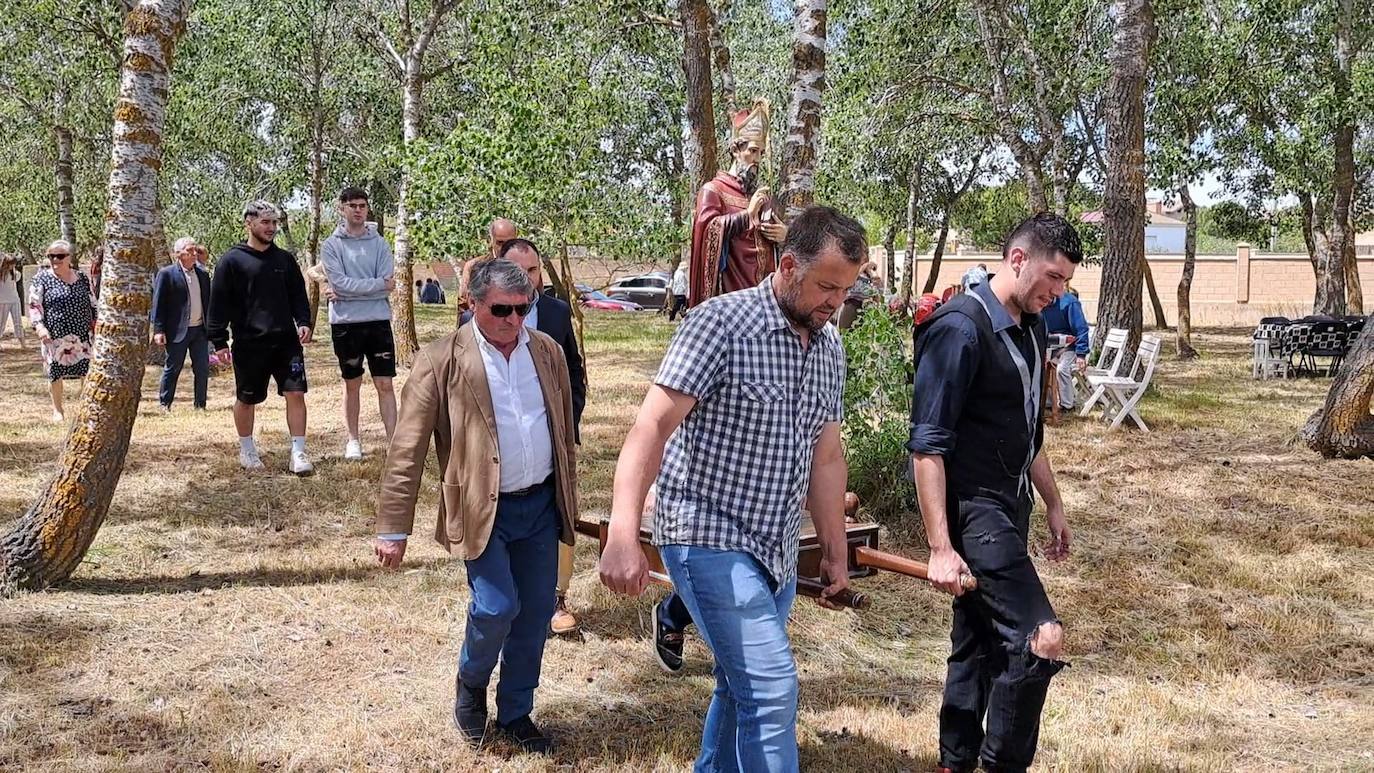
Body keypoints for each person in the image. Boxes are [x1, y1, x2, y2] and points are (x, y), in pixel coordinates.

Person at [600, 206, 867, 773]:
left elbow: (827, 458)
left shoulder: (829, 349)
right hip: (705, 532)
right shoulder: (720, 323)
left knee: (738, 685)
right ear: (789, 264)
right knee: (771, 690)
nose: (833, 303)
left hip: (776, 549)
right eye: (825, 287)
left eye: (843, 291)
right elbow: (650, 429)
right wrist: (623, 534)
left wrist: (835, 552)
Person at [374, 259, 579, 755]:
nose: (514, 320)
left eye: (523, 308)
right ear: (471, 304)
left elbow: (563, 428)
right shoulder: (441, 359)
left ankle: (516, 713)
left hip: (541, 506)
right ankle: (471, 685)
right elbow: (408, 448)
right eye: (501, 310)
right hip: (482, 509)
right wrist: (392, 528)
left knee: (533, 617)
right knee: (496, 606)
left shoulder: (547, 352)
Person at [907, 213, 1080, 773]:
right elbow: (928, 446)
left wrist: (1051, 503)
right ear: (1017, 259)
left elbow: (1026, 431)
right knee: (1040, 636)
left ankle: (953, 761)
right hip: (973, 510)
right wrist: (939, 546)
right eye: (1052, 277)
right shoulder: (958, 328)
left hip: (1013, 505)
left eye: (1065, 284)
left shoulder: (1030, 323)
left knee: (977, 639)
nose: (1057, 293)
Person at [464, 238, 586, 634]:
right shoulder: (470, 328)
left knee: (560, 516)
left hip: (546, 462)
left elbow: (573, 375)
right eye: (504, 308)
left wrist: (564, 430)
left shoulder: (555, 314)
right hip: (493, 482)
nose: (528, 283)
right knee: (499, 604)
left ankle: (557, 598)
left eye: (534, 272)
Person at [207, 200, 314, 474]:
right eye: (265, 222)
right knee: (247, 399)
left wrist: (303, 321)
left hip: (286, 343)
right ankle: (247, 450)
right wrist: (219, 341)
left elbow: (298, 296)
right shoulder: (231, 260)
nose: (271, 228)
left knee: (296, 393)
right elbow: (218, 303)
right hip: (249, 343)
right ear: (249, 223)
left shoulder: (285, 260)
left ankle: (298, 453)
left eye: (274, 223)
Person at [687, 98, 788, 307]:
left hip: (764, 299)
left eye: (761, 153)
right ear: (735, 151)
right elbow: (708, 231)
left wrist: (784, 236)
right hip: (730, 300)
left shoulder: (760, 196)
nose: (757, 159)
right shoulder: (713, 191)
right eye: (752, 151)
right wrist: (747, 215)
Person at [321, 186, 397, 459]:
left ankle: (394, 442)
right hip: (345, 323)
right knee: (351, 383)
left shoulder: (380, 244)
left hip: (378, 321)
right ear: (342, 208)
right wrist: (376, 285)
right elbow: (338, 281)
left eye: (362, 205)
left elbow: (389, 283)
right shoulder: (331, 245)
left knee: (385, 383)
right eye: (352, 205)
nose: (358, 210)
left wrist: (349, 290)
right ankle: (353, 440)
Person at [27, 239, 95, 423]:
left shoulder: (82, 278)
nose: (55, 260)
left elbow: (92, 302)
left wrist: (96, 324)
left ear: (69, 258)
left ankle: (84, 407)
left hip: (82, 333)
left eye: (60, 256)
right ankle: (58, 410)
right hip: (53, 335)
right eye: (51, 256)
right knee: (55, 371)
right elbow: (34, 305)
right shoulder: (41, 278)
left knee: (85, 370)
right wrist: (39, 326)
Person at [151, 236, 212, 412]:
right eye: (190, 251)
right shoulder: (167, 274)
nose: (195, 254)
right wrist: (158, 330)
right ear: (178, 254)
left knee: (202, 368)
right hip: (177, 330)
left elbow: (208, 302)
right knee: (173, 368)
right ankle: (165, 403)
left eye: (196, 250)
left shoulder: (203, 275)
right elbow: (159, 304)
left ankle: (200, 405)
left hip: (199, 330)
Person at [1039, 284, 1090, 411]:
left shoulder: (1069, 303)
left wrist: (1081, 354)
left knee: (1062, 369)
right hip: (1050, 345)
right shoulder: (1039, 304)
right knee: (1040, 366)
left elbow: (1081, 329)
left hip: (1070, 347)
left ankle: (1068, 405)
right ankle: (1049, 402)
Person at [0, 255, 28, 347]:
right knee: (1, 323)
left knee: (18, 321)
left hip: (15, 300)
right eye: (10, 264)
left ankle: (22, 343)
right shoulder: (1, 274)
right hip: (2, 301)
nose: (12, 266)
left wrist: (13, 269)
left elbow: (17, 276)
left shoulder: (15, 274)